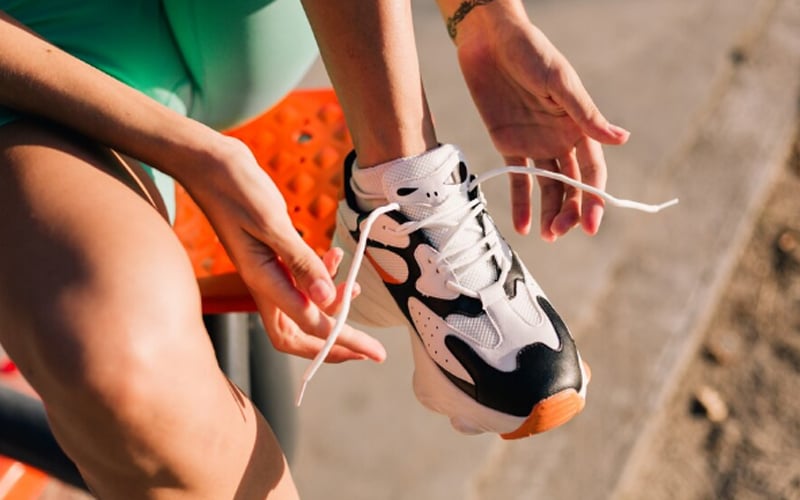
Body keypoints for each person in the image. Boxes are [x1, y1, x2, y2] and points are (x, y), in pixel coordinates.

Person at [0, 0, 632, 497]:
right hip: (32, 69)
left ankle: (400, 191)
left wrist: (481, 12)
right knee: (118, 360)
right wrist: (185, 150)